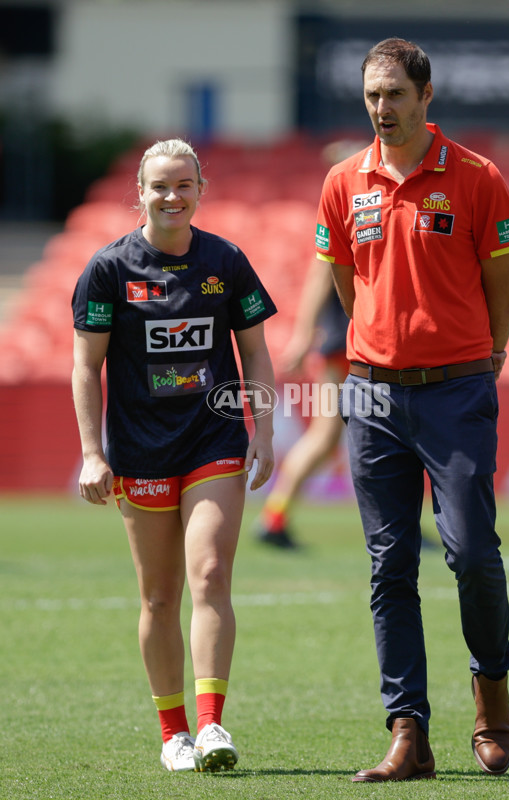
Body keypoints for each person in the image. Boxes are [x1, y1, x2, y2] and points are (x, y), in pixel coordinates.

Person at [315, 38, 509, 782]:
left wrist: (481, 360)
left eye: (395, 95)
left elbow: (506, 292)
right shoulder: (343, 182)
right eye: (372, 96)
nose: (381, 109)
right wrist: (378, 351)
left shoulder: (477, 177)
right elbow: (347, 286)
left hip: (458, 389)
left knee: (471, 553)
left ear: (426, 97)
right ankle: (409, 734)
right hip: (372, 391)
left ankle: (491, 689)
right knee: (389, 566)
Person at [71, 138, 277, 773]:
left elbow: (257, 355)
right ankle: (173, 733)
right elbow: (86, 366)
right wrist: (91, 453)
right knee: (158, 597)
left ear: (200, 190)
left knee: (211, 574)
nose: (172, 196)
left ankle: (213, 726)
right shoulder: (107, 270)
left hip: (214, 441)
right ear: (140, 193)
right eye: (160, 186)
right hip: (139, 451)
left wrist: (263, 433)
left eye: (183, 184)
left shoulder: (227, 261)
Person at [255, 257, 348, 548]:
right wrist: (303, 336)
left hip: (353, 339)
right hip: (346, 341)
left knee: (328, 438)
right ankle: (273, 517)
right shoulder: (352, 216)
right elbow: (321, 273)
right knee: (325, 437)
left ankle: (275, 517)